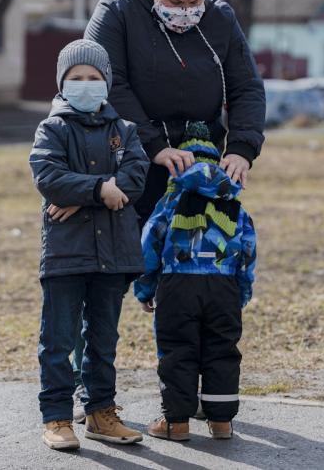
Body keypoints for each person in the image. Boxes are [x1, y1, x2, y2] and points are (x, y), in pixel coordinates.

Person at [84, 0, 266, 227]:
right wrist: (154, 146)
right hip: (133, 163)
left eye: (195, 2)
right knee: (139, 255)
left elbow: (247, 87)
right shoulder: (116, 12)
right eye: (176, 3)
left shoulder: (221, 18)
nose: (186, 11)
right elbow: (109, 85)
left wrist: (241, 149)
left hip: (201, 160)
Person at [29, 39, 149, 450]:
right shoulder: (52, 128)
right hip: (66, 255)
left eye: (93, 78)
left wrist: (80, 196)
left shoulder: (126, 131)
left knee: (103, 341)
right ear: (62, 84)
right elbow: (48, 176)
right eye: (76, 78)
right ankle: (57, 417)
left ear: (107, 83)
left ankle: (101, 413)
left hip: (113, 256)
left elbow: (134, 180)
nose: (85, 84)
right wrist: (101, 190)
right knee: (58, 340)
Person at [134, 121, 257, 441]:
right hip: (223, 285)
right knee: (222, 349)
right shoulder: (234, 204)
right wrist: (241, 291)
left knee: (177, 350)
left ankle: (176, 423)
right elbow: (248, 251)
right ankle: (221, 423)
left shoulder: (170, 203)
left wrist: (145, 288)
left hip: (178, 284)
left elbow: (150, 245)